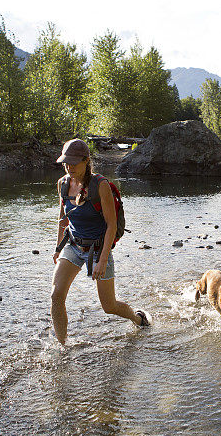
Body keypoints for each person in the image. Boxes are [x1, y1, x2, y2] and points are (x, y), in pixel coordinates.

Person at [50, 138, 149, 345]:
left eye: (74, 162)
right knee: (56, 296)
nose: (69, 167)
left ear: (86, 161)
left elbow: (111, 226)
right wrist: (58, 248)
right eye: (66, 162)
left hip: (98, 248)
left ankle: (138, 319)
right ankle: (63, 348)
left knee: (109, 306)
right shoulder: (63, 183)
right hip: (73, 245)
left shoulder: (100, 185)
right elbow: (62, 219)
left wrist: (103, 260)